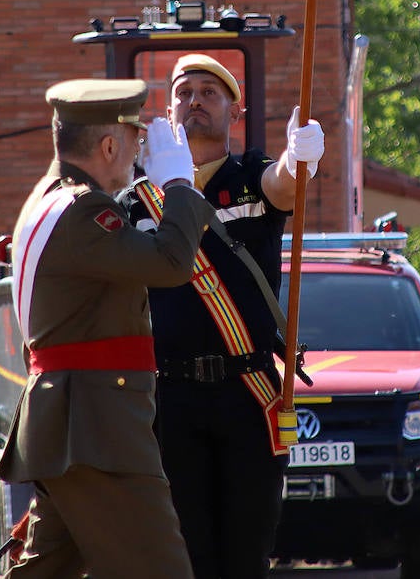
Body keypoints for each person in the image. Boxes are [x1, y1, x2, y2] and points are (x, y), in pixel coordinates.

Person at [0, 79, 216, 577]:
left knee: (46, 571)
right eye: (136, 141)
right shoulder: (83, 210)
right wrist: (179, 184)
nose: (140, 152)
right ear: (110, 145)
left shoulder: (52, 199)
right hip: (96, 426)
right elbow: (171, 262)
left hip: (76, 421)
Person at [124, 53, 325, 579]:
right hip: (170, 397)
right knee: (185, 553)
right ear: (168, 110)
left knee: (245, 549)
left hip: (247, 393)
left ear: (235, 112)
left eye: (209, 93)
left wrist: (299, 156)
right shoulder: (139, 201)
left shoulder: (252, 180)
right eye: (184, 92)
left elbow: (284, 183)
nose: (195, 101)